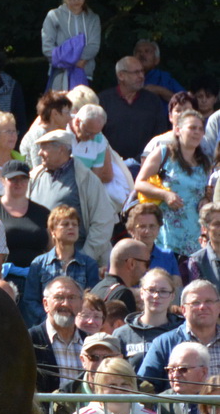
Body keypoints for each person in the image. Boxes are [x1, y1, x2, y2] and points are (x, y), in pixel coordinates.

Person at [27, 130, 116, 263]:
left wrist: (85, 257)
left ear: (61, 150)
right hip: (40, 261)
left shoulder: (86, 179)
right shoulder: (34, 176)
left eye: (45, 148)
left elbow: (103, 222)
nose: (39, 153)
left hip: (76, 260)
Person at [133, 110, 209, 257]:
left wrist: (205, 199)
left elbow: (204, 192)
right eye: (192, 128)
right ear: (178, 130)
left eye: (200, 129)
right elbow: (139, 183)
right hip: (165, 236)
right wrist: (165, 194)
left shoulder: (204, 162)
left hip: (194, 240)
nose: (197, 132)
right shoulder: (163, 153)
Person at [140, 281, 220, 390]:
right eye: (196, 302)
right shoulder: (164, 344)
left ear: (218, 306)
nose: (202, 307)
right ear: (183, 310)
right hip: (181, 406)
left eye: (209, 301)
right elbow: (145, 386)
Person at [0, 160, 50, 270]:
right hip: (1, 275)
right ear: (2, 181)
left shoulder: (43, 213)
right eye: (13, 179)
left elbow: (52, 249)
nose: (18, 183)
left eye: (23, 179)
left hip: (37, 275)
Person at [99, 56, 168, 163]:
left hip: (145, 164)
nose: (141, 76)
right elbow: (96, 135)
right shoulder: (104, 100)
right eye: (136, 72)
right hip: (109, 165)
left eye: (142, 71)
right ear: (121, 75)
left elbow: (160, 134)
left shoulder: (153, 101)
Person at [30, 275, 87, 391]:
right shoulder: (29, 340)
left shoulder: (89, 341)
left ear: (81, 304)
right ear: (46, 304)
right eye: (59, 297)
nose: (65, 304)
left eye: (71, 298)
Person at [114, 267, 179, 369]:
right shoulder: (122, 334)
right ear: (141, 293)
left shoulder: (181, 332)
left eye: (163, 291)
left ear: (172, 296)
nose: (157, 296)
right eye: (151, 290)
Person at [42, 0, 100, 92]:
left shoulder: (93, 18)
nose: (76, 0)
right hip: (58, 74)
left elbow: (93, 46)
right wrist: (73, 62)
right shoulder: (53, 15)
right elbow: (47, 48)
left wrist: (72, 59)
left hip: (85, 73)